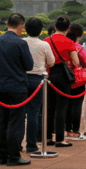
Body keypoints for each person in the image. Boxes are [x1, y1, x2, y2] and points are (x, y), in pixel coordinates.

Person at [0, 13, 34, 166]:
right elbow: (29, 66)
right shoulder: (20, 43)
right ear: (20, 26)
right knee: (16, 121)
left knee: (2, 121)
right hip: (17, 87)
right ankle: (13, 155)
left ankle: (1, 154)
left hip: (0, 87)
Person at [46, 17, 82, 145]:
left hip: (49, 75)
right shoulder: (69, 42)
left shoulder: (47, 40)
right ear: (68, 28)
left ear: (55, 26)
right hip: (63, 75)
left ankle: (48, 137)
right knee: (62, 107)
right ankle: (60, 138)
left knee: (49, 107)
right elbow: (76, 62)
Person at [23, 17, 54, 152]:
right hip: (37, 79)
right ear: (41, 30)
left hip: (22, 78)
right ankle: (32, 144)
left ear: (25, 29)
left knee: (19, 113)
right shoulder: (44, 44)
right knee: (34, 113)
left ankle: (17, 144)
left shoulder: (21, 42)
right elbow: (51, 62)